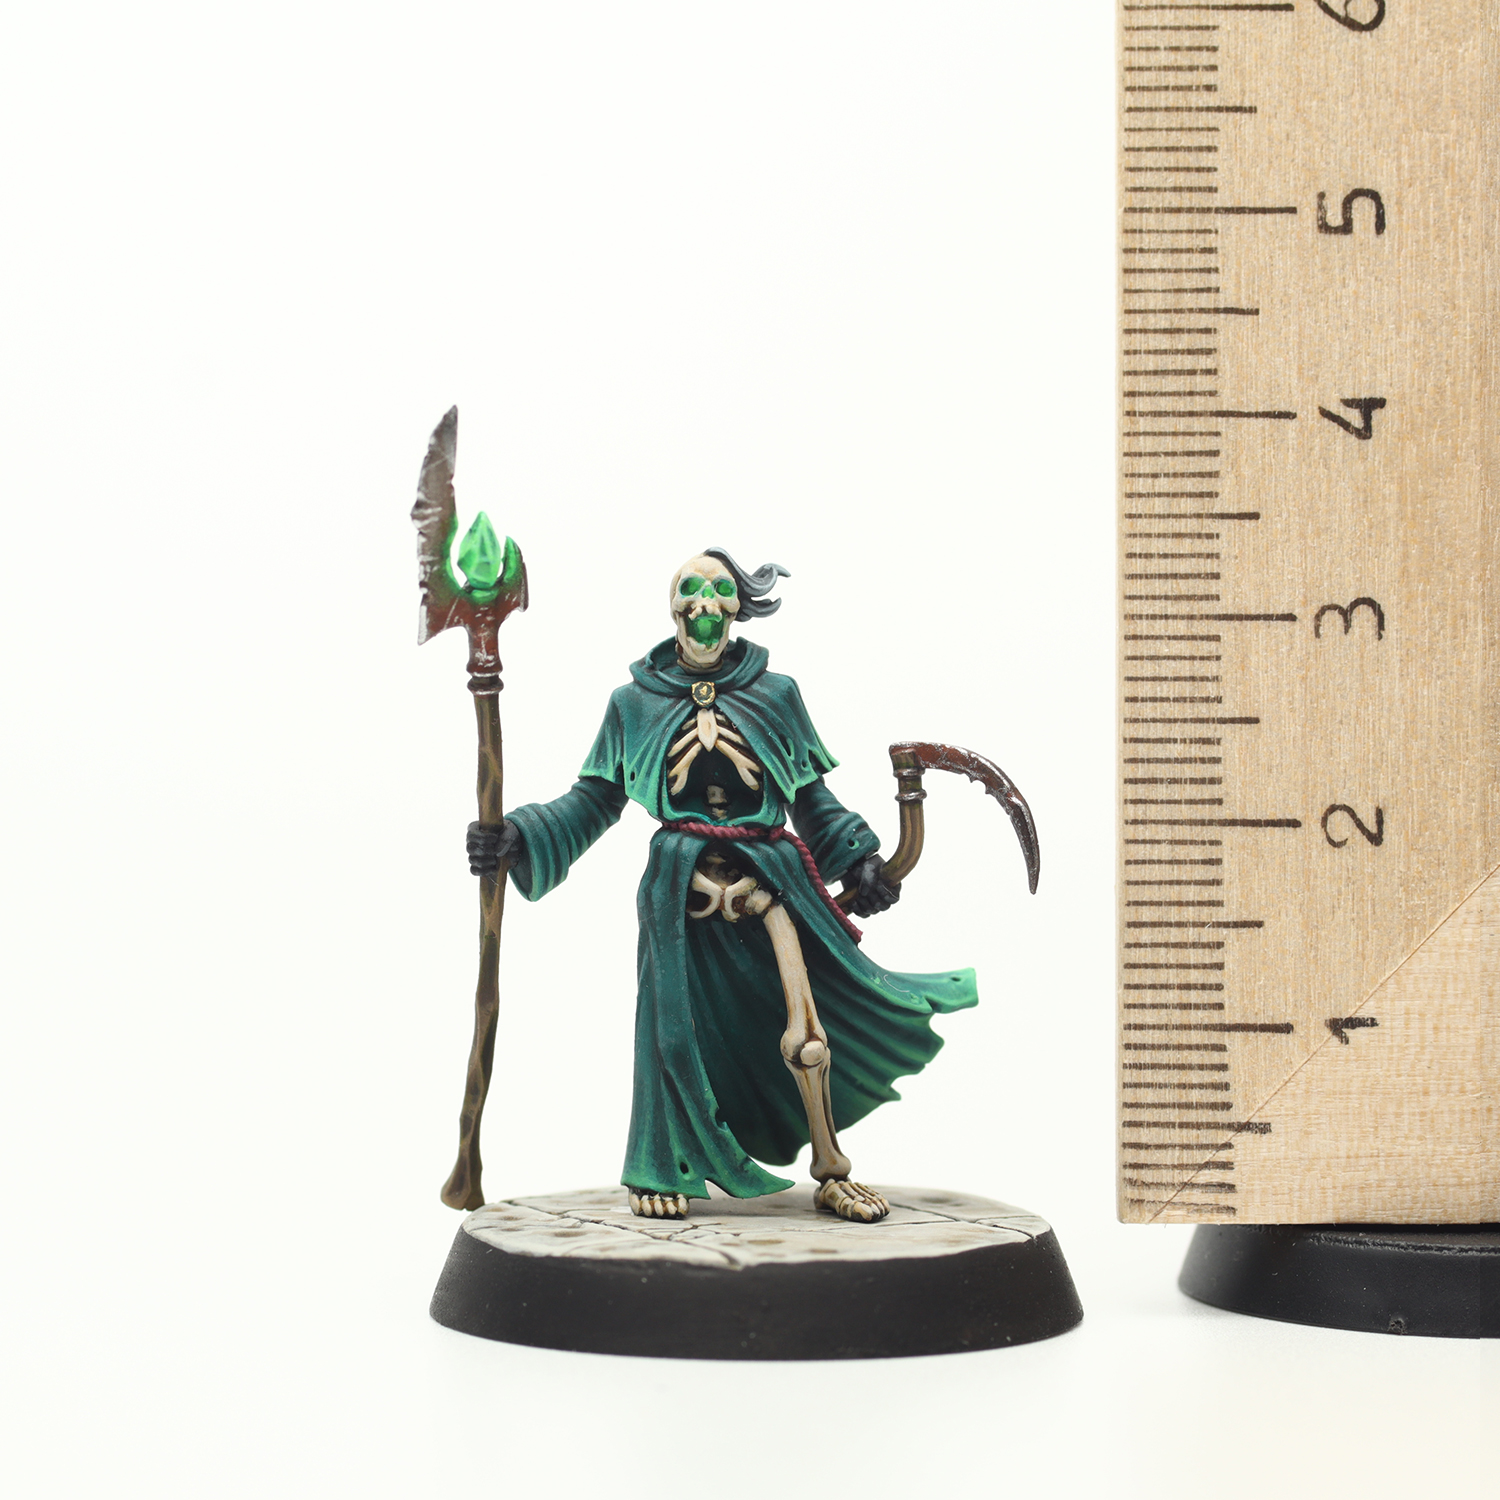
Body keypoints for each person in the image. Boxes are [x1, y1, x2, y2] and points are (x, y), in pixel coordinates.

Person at [466, 549, 977, 1222]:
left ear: (737, 608)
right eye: (690, 588)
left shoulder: (775, 695)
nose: (703, 602)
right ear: (672, 606)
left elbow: (808, 794)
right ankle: (662, 1161)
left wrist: (857, 858)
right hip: (680, 889)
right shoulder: (634, 702)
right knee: (670, 1034)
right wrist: (521, 835)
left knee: (808, 1031)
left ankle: (831, 1169)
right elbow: (595, 799)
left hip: (769, 878)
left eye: (718, 590)